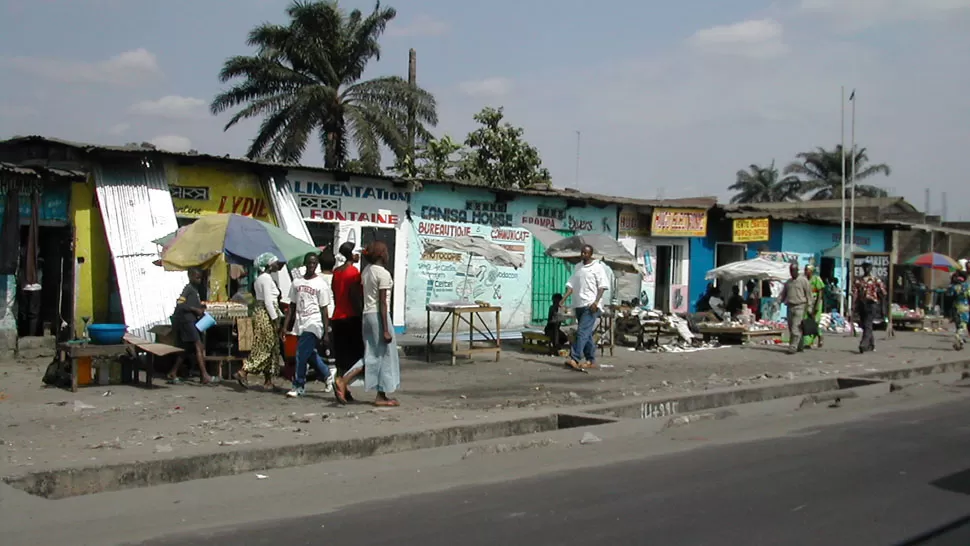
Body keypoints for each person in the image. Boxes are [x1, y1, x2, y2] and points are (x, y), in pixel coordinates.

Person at [335, 241, 400, 406]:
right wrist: (386, 329)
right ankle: (346, 381)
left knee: (372, 354)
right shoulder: (383, 274)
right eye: (385, 251)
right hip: (379, 316)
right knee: (382, 355)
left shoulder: (366, 271)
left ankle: (379, 393)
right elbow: (383, 302)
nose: (387, 254)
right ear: (380, 255)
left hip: (367, 315)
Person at [283, 253, 333, 398]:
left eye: (314, 263)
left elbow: (324, 309)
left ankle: (299, 385)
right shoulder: (297, 283)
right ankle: (327, 374)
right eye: (309, 263)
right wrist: (286, 326)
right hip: (300, 322)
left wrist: (325, 332)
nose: (311, 266)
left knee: (300, 353)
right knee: (309, 354)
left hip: (314, 323)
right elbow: (292, 305)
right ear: (305, 264)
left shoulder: (321, 285)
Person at [235, 253, 283, 390]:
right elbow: (268, 301)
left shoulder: (260, 279)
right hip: (266, 315)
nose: (276, 264)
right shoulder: (266, 279)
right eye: (274, 262)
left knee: (270, 346)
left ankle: (268, 380)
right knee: (266, 347)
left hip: (261, 312)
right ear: (268, 264)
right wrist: (275, 320)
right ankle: (244, 370)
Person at [560, 244, 609, 371]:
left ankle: (574, 358)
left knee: (581, 331)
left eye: (586, 253)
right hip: (579, 304)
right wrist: (563, 299)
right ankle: (591, 360)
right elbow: (571, 285)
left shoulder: (597, 267)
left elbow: (602, 286)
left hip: (591, 305)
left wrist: (596, 303)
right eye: (582, 252)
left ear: (590, 254)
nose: (583, 255)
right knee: (586, 335)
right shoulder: (578, 267)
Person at [166, 267, 218, 384]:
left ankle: (173, 372)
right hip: (187, 321)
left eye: (200, 277)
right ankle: (204, 375)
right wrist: (195, 309)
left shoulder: (196, 290)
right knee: (198, 345)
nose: (199, 279)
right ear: (190, 276)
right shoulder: (188, 289)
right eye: (197, 277)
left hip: (193, 321)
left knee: (186, 349)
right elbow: (180, 304)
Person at [330, 242, 365, 383]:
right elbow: (354, 296)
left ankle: (339, 381)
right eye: (357, 253)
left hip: (337, 316)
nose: (359, 256)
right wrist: (361, 315)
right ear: (352, 255)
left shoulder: (336, 272)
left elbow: (334, 293)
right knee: (354, 355)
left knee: (340, 356)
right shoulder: (354, 272)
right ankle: (344, 384)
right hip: (351, 317)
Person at [852, 260, 886, 354]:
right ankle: (871, 344)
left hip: (872, 304)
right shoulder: (859, 280)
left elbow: (883, 293)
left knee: (868, 324)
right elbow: (855, 294)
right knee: (865, 325)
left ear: (871, 268)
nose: (866, 268)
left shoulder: (875, 280)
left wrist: (883, 307)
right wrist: (853, 307)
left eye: (868, 266)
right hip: (862, 305)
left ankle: (864, 344)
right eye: (865, 267)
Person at [780, 262, 811, 354]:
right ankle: (800, 345)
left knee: (795, 327)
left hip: (800, 306)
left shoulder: (803, 281)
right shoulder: (788, 282)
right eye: (790, 271)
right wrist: (778, 301)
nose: (792, 272)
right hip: (790, 306)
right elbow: (783, 294)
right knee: (791, 327)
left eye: (793, 270)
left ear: (797, 270)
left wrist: (809, 307)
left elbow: (808, 294)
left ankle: (793, 347)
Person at [801, 265, 826, 348]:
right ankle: (807, 342)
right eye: (805, 270)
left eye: (807, 270)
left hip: (815, 303)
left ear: (811, 271)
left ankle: (820, 336)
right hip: (807, 303)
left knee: (814, 321)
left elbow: (820, 293)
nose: (805, 272)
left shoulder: (816, 279)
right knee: (807, 322)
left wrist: (817, 306)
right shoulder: (804, 280)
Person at [948, 271, 969, 350]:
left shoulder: (953, 286)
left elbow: (949, 295)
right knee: (963, 324)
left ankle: (960, 343)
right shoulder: (967, 286)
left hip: (955, 307)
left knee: (957, 324)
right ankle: (958, 337)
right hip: (964, 307)